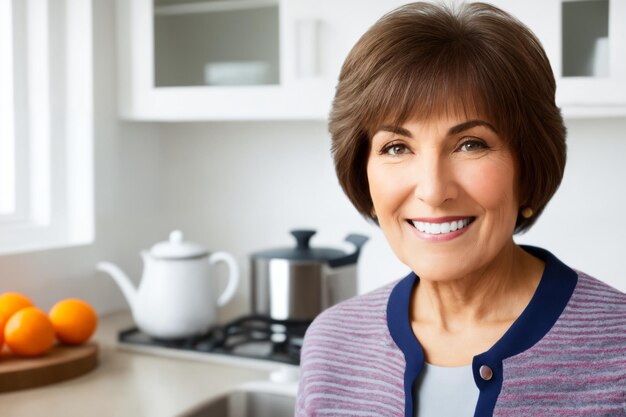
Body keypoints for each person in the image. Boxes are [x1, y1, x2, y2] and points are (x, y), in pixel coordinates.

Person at [295, 2, 626, 416]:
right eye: (397, 147)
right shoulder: (332, 344)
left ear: (529, 166)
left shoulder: (619, 349)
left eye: (471, 144)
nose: (433, 191)